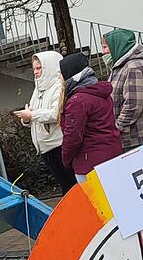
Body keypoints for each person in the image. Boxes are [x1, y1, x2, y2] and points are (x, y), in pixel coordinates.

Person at [13, 52, 76, 195]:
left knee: (71, 184)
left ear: (49, 67)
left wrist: (32, 115)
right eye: (34, 69)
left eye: (39, 68)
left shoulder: (59, 86)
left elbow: (55, 113)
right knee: (64, 185)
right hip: (45, 147)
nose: (35, 72)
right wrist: (27, 119)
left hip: (58, 144)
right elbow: (33, 113)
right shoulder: (38, 88)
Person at [59, 53, 122, 183]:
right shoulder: (100, 93)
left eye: (61, 73)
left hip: (90, 162)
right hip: (113, 155)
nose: (59, 78)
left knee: (95, 202)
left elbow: (73, 137)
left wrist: (66, 159)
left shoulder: (78, 101)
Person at [103, 29, 143, 152]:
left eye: (105, 47)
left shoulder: (132, 67)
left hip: (134, 137)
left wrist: (117, 127)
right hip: (127, 136)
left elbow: (133, 104)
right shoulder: (119, 66)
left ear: (117, 46)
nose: (103, 52)